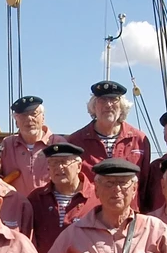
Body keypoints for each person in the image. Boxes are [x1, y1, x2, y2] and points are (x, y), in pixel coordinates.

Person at [65, 81, 154, 211]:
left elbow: (145, 184)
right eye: (102, 100)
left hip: (129, 217)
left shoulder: (139, 139)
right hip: (89, 216)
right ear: (94, 106)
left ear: (122, 105)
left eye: (113, 100)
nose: (108, 105)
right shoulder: (75, 141)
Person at [26, 142, 98, 253]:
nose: (59, 167)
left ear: (79, 166)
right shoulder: (36, 198)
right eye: (54, 163)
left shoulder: (97, 196)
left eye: (64, 162)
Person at [0, 95, 65, 196]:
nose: (29, 119)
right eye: (23, 115)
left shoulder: (59, 143)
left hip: (50, 208)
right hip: (17, 208)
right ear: (16, 122)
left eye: (34, 114)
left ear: (43, 118)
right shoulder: (7, 145)